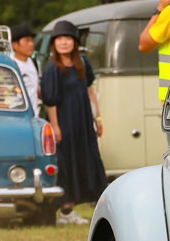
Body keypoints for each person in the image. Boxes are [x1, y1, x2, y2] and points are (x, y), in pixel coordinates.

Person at [41, 21, 107, 225]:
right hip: (64, 122)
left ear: (75, 42)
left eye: (68, 38)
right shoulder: (52, 68)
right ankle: (66, 211)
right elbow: (50, 101)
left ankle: (92, 204)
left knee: (88, 159)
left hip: (83, 121)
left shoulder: (83, 63)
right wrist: (55, 126)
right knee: (66, 163)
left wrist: (98, 118)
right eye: (59, 39)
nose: (63, 42)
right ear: (54, 43)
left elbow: (90, 92)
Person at [8, 23, 39, 106]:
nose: (31, 44)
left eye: (32, 40)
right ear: (14, 45)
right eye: (27, 41)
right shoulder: (11, 66)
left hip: (34, 113)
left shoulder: (34, 63)